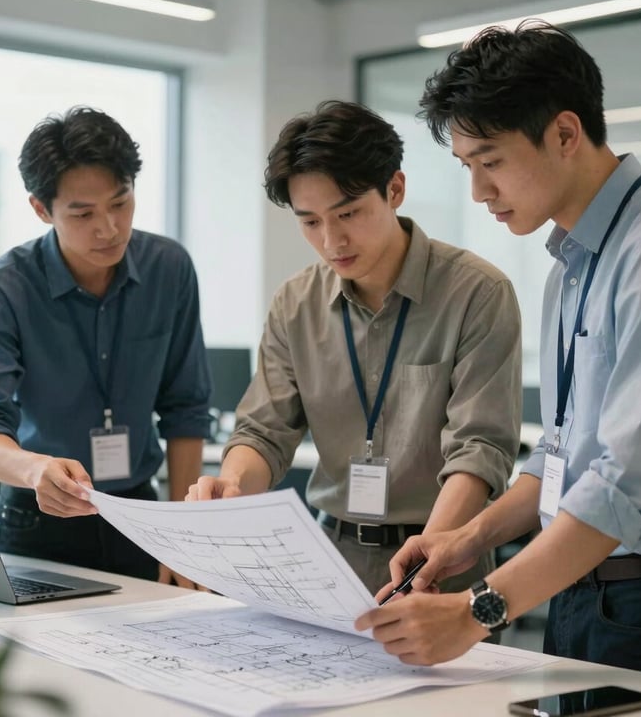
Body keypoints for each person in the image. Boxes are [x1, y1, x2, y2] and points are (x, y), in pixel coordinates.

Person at [355, 21, 641, 685]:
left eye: (491, 161)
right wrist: (465, 540)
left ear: (565, 134)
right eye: (468, 167)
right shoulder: (570, 264)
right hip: (574, 587)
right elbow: (560, 454)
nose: (479, 192)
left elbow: (625, 486)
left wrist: (477, 611)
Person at [186, 100, 522, 601]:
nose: (331, 240)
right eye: (310, 222)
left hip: (443, 561)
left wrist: (428, 559)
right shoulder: (295, 303)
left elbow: (481, 449)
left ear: (395, 190)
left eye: (348, 213)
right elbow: (264, 430)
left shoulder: (476, 293)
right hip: (328, 558)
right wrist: (230, 484)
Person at [0, 106, 212, 584]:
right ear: (40, 208)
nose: (109, 228)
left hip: (143, 514)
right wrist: (33, 469)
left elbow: (186, 409)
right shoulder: (1, 290)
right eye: (83, 213)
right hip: (38, 515)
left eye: (120, 202)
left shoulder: (168, 269)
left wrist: (183, 535)